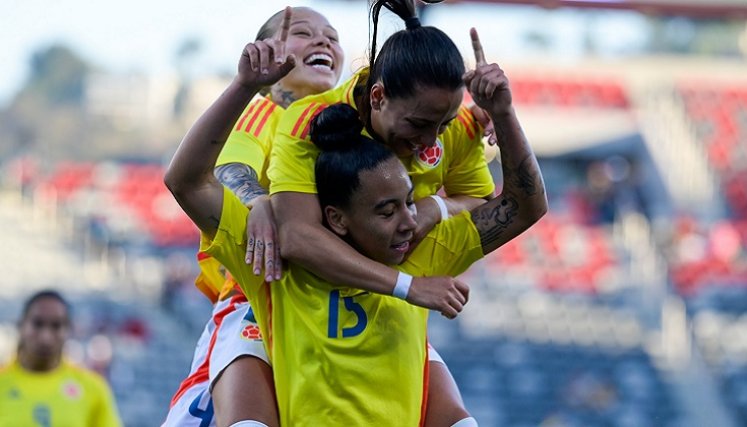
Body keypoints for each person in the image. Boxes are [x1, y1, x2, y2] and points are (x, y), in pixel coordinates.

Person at [164, 10, 546, 427]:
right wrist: (259, 200)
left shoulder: (419, 243)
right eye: (388, 208)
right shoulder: (289, 124)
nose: (428, 143)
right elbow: (222, 190)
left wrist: (497, 123)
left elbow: (508, 204)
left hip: (385, 286)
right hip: (260, 290)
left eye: (331, 36)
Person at [162, 6, 344, 427]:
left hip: (334, 303)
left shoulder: (352, 132)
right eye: (303, 33)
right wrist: (261, 202)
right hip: (257, 301)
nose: (323, 41)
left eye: (333, 37)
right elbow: (229, 172)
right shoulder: (265, 112)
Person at [0, 290, 122, 427]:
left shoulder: (93, 388)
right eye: (37, 324)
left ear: (69, 330)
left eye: (56, 326)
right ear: (21, 325)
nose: (46, 337)